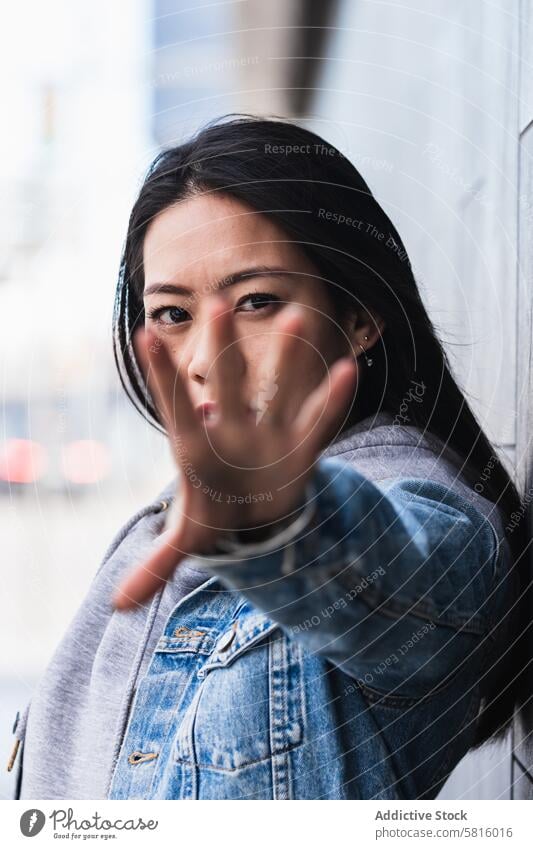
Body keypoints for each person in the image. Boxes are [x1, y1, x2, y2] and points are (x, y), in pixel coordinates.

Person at [10, 114, 530, 800]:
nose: (203, 358)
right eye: (172, 313)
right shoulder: (161, 527)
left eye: (256, 301)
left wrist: (280, 524)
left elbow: (406, 588)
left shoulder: (422, 509)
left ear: (359, 315)